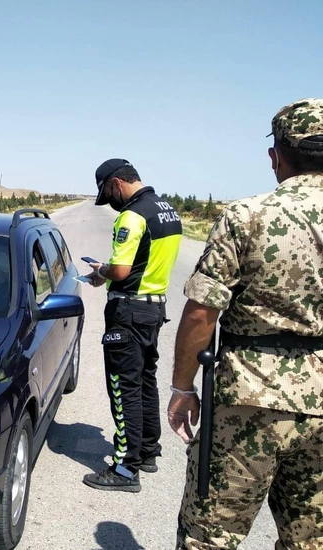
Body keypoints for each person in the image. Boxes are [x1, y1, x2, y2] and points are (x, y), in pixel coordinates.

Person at [168, 98, 323, 548]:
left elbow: (202, 310)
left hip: (250, 399)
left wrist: (182, 388)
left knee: (211, 534)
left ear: (277, 157)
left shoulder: (248, 216)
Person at [82, 159, 183, 492]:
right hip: (153, 308)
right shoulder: (166, 209)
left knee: (123, 387)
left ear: (116, 183)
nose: (109, 202)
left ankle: (126, 468)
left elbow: (122, 270)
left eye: (107, 194)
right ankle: (149, 450)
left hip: (128, 311)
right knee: (144, 381)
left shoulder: (132, 215)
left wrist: (101, 271)